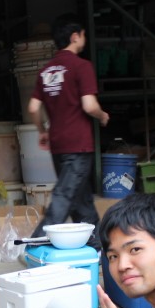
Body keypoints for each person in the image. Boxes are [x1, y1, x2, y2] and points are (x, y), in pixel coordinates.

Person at [28, 14, 110, 237]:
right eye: (83, 35)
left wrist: (42, 131)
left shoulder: (46, 71)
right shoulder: (81, 66)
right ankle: (35, 244)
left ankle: (97, 243)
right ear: (75, 37)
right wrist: (102, 116)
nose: (84, 39)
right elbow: (89, 105)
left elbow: (33, 108)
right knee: (64, 198)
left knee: (81, 201)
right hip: (78, 145)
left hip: (58, 145)